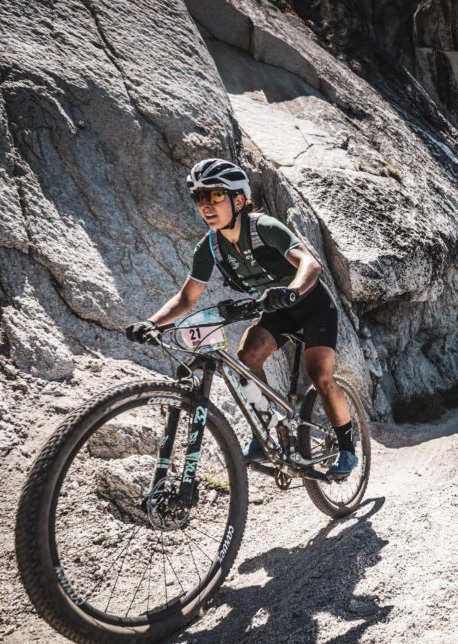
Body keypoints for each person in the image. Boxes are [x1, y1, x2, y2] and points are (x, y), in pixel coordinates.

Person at [125, 158, 357, 479]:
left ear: (237, 200)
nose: (206, 205)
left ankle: (347, 448)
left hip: (310, 303)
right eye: (200, 198)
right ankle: (267, 427)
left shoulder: (263, 227)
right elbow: (186, 298)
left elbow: (310, 264)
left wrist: (291, 291)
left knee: (320, 374)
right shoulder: (210, 248)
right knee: (247, 355)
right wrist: (153, 323)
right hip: (277, 310)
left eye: (215, 196)